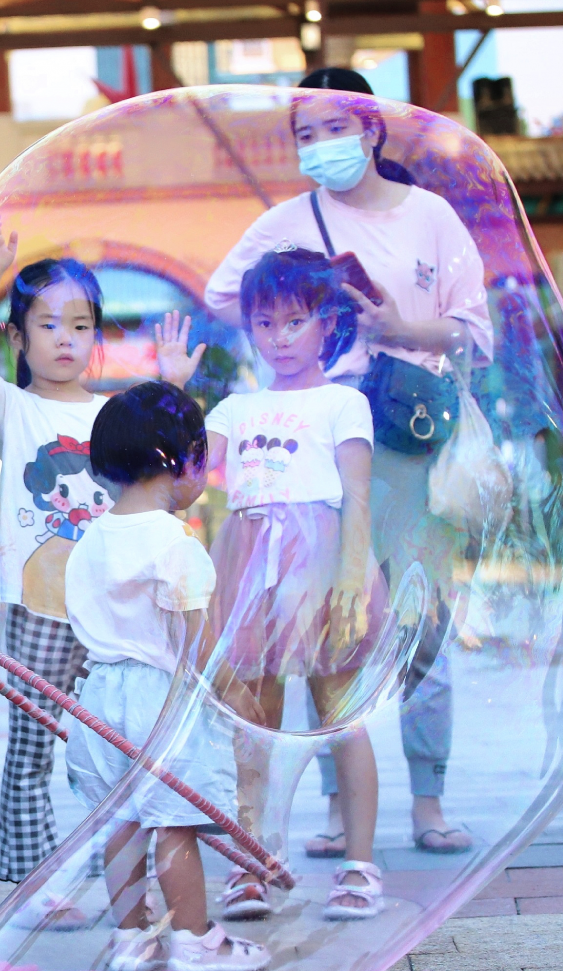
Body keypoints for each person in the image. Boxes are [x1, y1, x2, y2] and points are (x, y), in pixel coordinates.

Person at [196, 69, 492, 857]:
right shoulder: (288, 219)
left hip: (405, 433)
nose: (320, 147)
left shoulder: (429, 217)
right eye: (304, 135)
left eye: (335, 129)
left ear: (373, 130)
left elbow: (474, 330)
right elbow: (226, 294)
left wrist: (399, 324)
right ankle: (335, 808)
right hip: (313, 435)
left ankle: (427, 798)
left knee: (420, 617)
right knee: (322, 618)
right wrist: (306, 302)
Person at [171, 247, 387, 921]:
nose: (278, 337)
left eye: (295, 321)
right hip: (248, 564)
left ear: (328, 324)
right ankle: (250, 863)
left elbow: (357, 497)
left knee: (341, 717)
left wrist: (352, 582)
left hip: (323, 565)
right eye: (265, 323)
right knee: (250, 723)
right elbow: (187, 487)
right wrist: (177, 391)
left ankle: (359, 865)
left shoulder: (343, 401)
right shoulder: (235, 408)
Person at [63, 381, 269, 971]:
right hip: (162, 698)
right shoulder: (177, 544)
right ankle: (194, 938)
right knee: (174, 823)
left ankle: (132, 940)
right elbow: (197, 641)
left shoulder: (90, 540)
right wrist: (233, 690)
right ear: (178, 462)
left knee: (122, 822)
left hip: (100, 694)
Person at [0, 220, 120, 886]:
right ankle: (35, 882)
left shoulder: (115, 416)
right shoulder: (16, 410)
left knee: (111, 746)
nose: (65, 338)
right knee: (30, 751)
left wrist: (174, 383)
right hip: (37, 608)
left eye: (79, 325)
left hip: (110, 609)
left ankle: (118, 867)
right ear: (17, 338)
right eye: (48, 325)